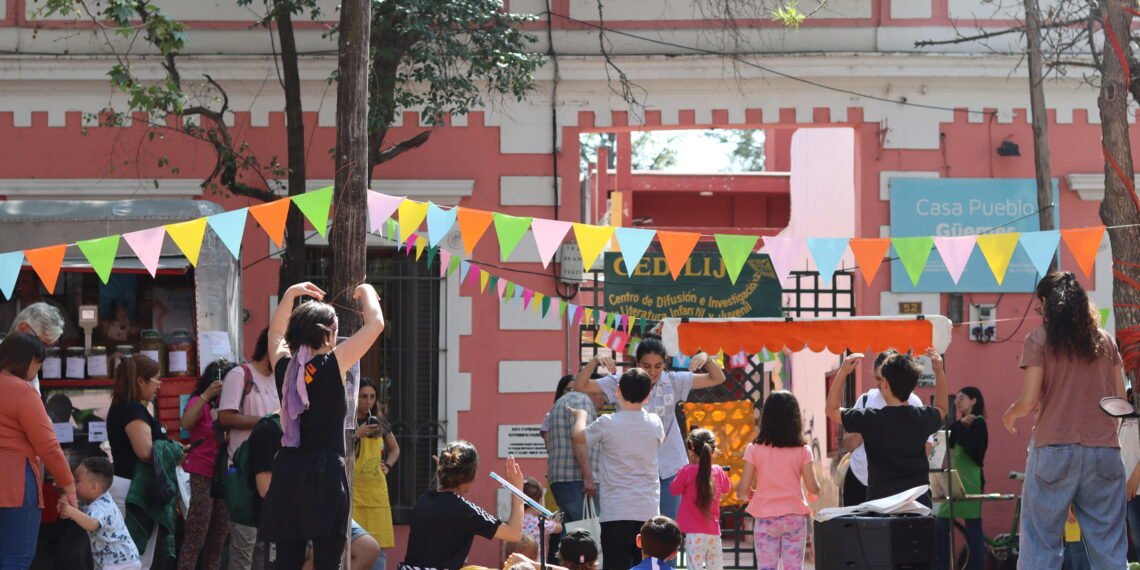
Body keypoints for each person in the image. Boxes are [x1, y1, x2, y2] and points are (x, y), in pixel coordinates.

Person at [1003, 271, 1129, 568]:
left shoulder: (1040, 339)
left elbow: (1030, 400)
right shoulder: (1105, 341)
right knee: (1108, 546)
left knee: (1039, 544)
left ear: (1047, 304)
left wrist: (1011, 412)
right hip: (1104, 451)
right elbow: (1121, 399)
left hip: (1053, 449)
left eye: (1038, 306)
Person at [259, 282, 384, 570]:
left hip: (288, 472)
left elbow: (275, 333)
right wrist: (365, 290)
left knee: (284, 564)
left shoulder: (285, 368)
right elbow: (375, 324)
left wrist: (290, 293)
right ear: (328, 335)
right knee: (328, 563)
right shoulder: (333, 362)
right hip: (324, 473)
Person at [573, 337, 726, 519]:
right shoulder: (623, 382)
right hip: (633, 469)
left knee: (668, 526)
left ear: (665, 364)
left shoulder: (674, 381)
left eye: (658, 366)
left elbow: (718, 378)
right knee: (639, 526)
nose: (652, 372)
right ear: (637, 363)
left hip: (669, 465)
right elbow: (580, 385)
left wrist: (707, 359)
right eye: (646, 366)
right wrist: (595, 360)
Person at [570, 368, 665, 570]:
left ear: (618, 391)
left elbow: (579, 438)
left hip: (616, 510)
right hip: (647, 510)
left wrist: (581, 416)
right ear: (648, 396)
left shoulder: (607, 423)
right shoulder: (655, 423)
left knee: (615, 565)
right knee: (648, 566)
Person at [827, 350, 947, 507]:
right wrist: (939, 372)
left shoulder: (871, 418)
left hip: (881, 505)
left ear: (884, 383)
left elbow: (832, 410)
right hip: (917, 504)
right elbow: (942, 408)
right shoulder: (922, 417)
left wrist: (843, 372)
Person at [0, 332, 77, 568]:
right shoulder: (23, 391)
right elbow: (48, 446)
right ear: (27, 360)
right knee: (16, 559)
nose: (38, 370)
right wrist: (69, 485)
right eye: (38, 363)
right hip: (14, 484)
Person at [401, 440, 526, 569]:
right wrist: (517, 489)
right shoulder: (466, 511)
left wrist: (445, 473)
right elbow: (514, 533)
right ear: (471, 474)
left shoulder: (423, 501)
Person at [736, 391, 820, 570]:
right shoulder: (803, 450)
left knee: (766, 567)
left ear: (766, 417)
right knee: (794, 567)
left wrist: (749, 493)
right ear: (795, 419)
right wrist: (815, 491)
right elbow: (813, 487)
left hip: (766, 518)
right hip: (795, 518)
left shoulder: (754, 449)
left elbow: (742, 490)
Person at [218, 329, 279, 570]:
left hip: (271, 474)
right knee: (243, 550)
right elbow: (225, 417)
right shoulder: (240, 374)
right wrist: (266, 421)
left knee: (265, 554)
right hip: (243, 476)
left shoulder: (279, 380)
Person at [107, 353, 170, 568]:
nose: (159, 385)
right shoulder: (132, 409)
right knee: (135, 559)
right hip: (132, 490)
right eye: (156, 380)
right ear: (140, 381)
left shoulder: (125, 406)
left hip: (129, 487)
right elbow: (145, 451)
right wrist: (173, 450)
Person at [178, 360, 232, 570]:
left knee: (218, 537)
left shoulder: (230, 404)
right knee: (196, 534)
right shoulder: (198, 401)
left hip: (225, 473)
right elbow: (186, 423)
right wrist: (206, 396)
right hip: (202, 473)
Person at [935, 386, 988, 570]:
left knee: (973, 529)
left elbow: (977, 452)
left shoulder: (980, 423)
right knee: (941, 523)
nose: (957, 402)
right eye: (956, 398)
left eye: (962, 398)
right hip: (956, 481)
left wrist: (963, 428)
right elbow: (946, 437)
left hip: (971, 482)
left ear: (974, 400)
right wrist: (960, 424)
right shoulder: (961, 423)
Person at [57, 456, 142, 570]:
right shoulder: (101, 498)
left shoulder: (100, 506)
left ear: (93, 488)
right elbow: (86, 516)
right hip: (120, 560)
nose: (73, 484)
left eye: (77, 481)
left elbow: (92, 524)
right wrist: (72, 512)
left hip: (118, 563)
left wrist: (70, 510)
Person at [546, 375, 605, 532]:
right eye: (603, 395)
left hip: (562, 480)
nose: (604, 402)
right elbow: (578, 440)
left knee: (572, 535)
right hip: (578, 480)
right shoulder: (582, 401)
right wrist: (588, 477)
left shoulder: (562, 401)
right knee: (588, 536)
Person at [669, 428, 731, 570]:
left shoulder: (687, 471)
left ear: (691, 447)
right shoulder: (717, 471)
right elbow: (726, 489)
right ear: (713, 450)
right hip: (714, 534)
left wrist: (680, 473)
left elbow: (673, 490)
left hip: (693, 536)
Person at [354, 378, 398, 569]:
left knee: (379, 549)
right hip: (355, 493)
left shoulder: (379, 421)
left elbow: (395, 449)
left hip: (377, 494)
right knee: (355, 546)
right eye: (364, 396)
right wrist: (356, 433)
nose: (368, 401)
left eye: (372, 396)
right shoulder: (348, 422)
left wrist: (387, 466)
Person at [8, 301, 66, 393]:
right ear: (22, 329)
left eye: (48, 349)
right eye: (41, 345)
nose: (42, 355)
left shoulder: (30, 373)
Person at [521, 477, 562, 542]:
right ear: (539, 501)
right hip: (535, 552)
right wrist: (553, 518)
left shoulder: (517, 520)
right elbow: (559, 528)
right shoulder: (537, 522)